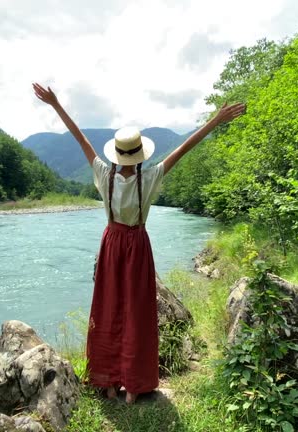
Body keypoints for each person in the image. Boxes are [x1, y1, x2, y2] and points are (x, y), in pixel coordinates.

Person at [32, 82, 245, 404]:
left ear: (117, 154)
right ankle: (133, 387)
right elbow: (185, 148)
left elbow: (80, 138)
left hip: (112, 243)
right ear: (140, 155)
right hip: (138, 245)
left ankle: (106, 382)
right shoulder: (152, 175)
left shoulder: (104, 175)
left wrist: (56, 104)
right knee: (137, 312)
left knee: (107, 309)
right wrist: (216, 120)